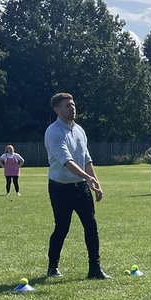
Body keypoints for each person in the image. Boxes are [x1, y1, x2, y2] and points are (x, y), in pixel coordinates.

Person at [44, 92, 110, 279]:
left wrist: (95, 182)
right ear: (57, 109)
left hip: (80, 187)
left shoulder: (79, 130)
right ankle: (52, 267)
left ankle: (95, 270)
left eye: (72, 104)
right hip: (60, 188)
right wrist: (87, 178)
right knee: (62, 228)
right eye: (67, 105)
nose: (72, 107)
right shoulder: (54, 132)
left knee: (91, 226)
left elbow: (86, 159)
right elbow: (67, 161)